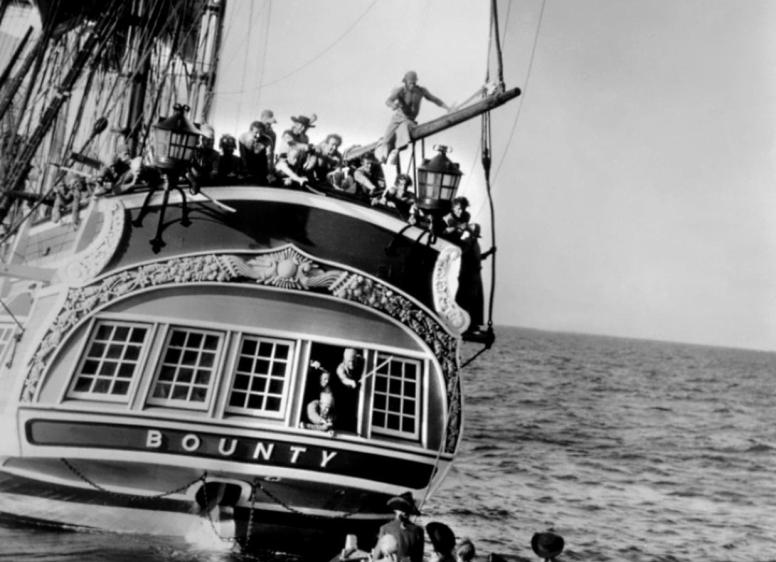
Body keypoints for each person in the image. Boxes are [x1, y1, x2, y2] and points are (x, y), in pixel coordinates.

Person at [375, 71, 450, 164]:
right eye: (410, 83)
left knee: (404, 130)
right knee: (387, 138)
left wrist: (448, 108)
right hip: (397, 117)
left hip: (409, 120)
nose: (412, 85)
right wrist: (393, 105)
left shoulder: (421, 91)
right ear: (406, 82)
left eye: (414, 83)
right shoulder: (400, 90)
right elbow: (388, 101)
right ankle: (383, 155)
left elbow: (435, 99)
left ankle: (396, 152)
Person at [373, 492, 424, 562]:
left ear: (395, 511)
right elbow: (418, 558)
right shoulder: (418, 530)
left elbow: (376, 557)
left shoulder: (385, 528)